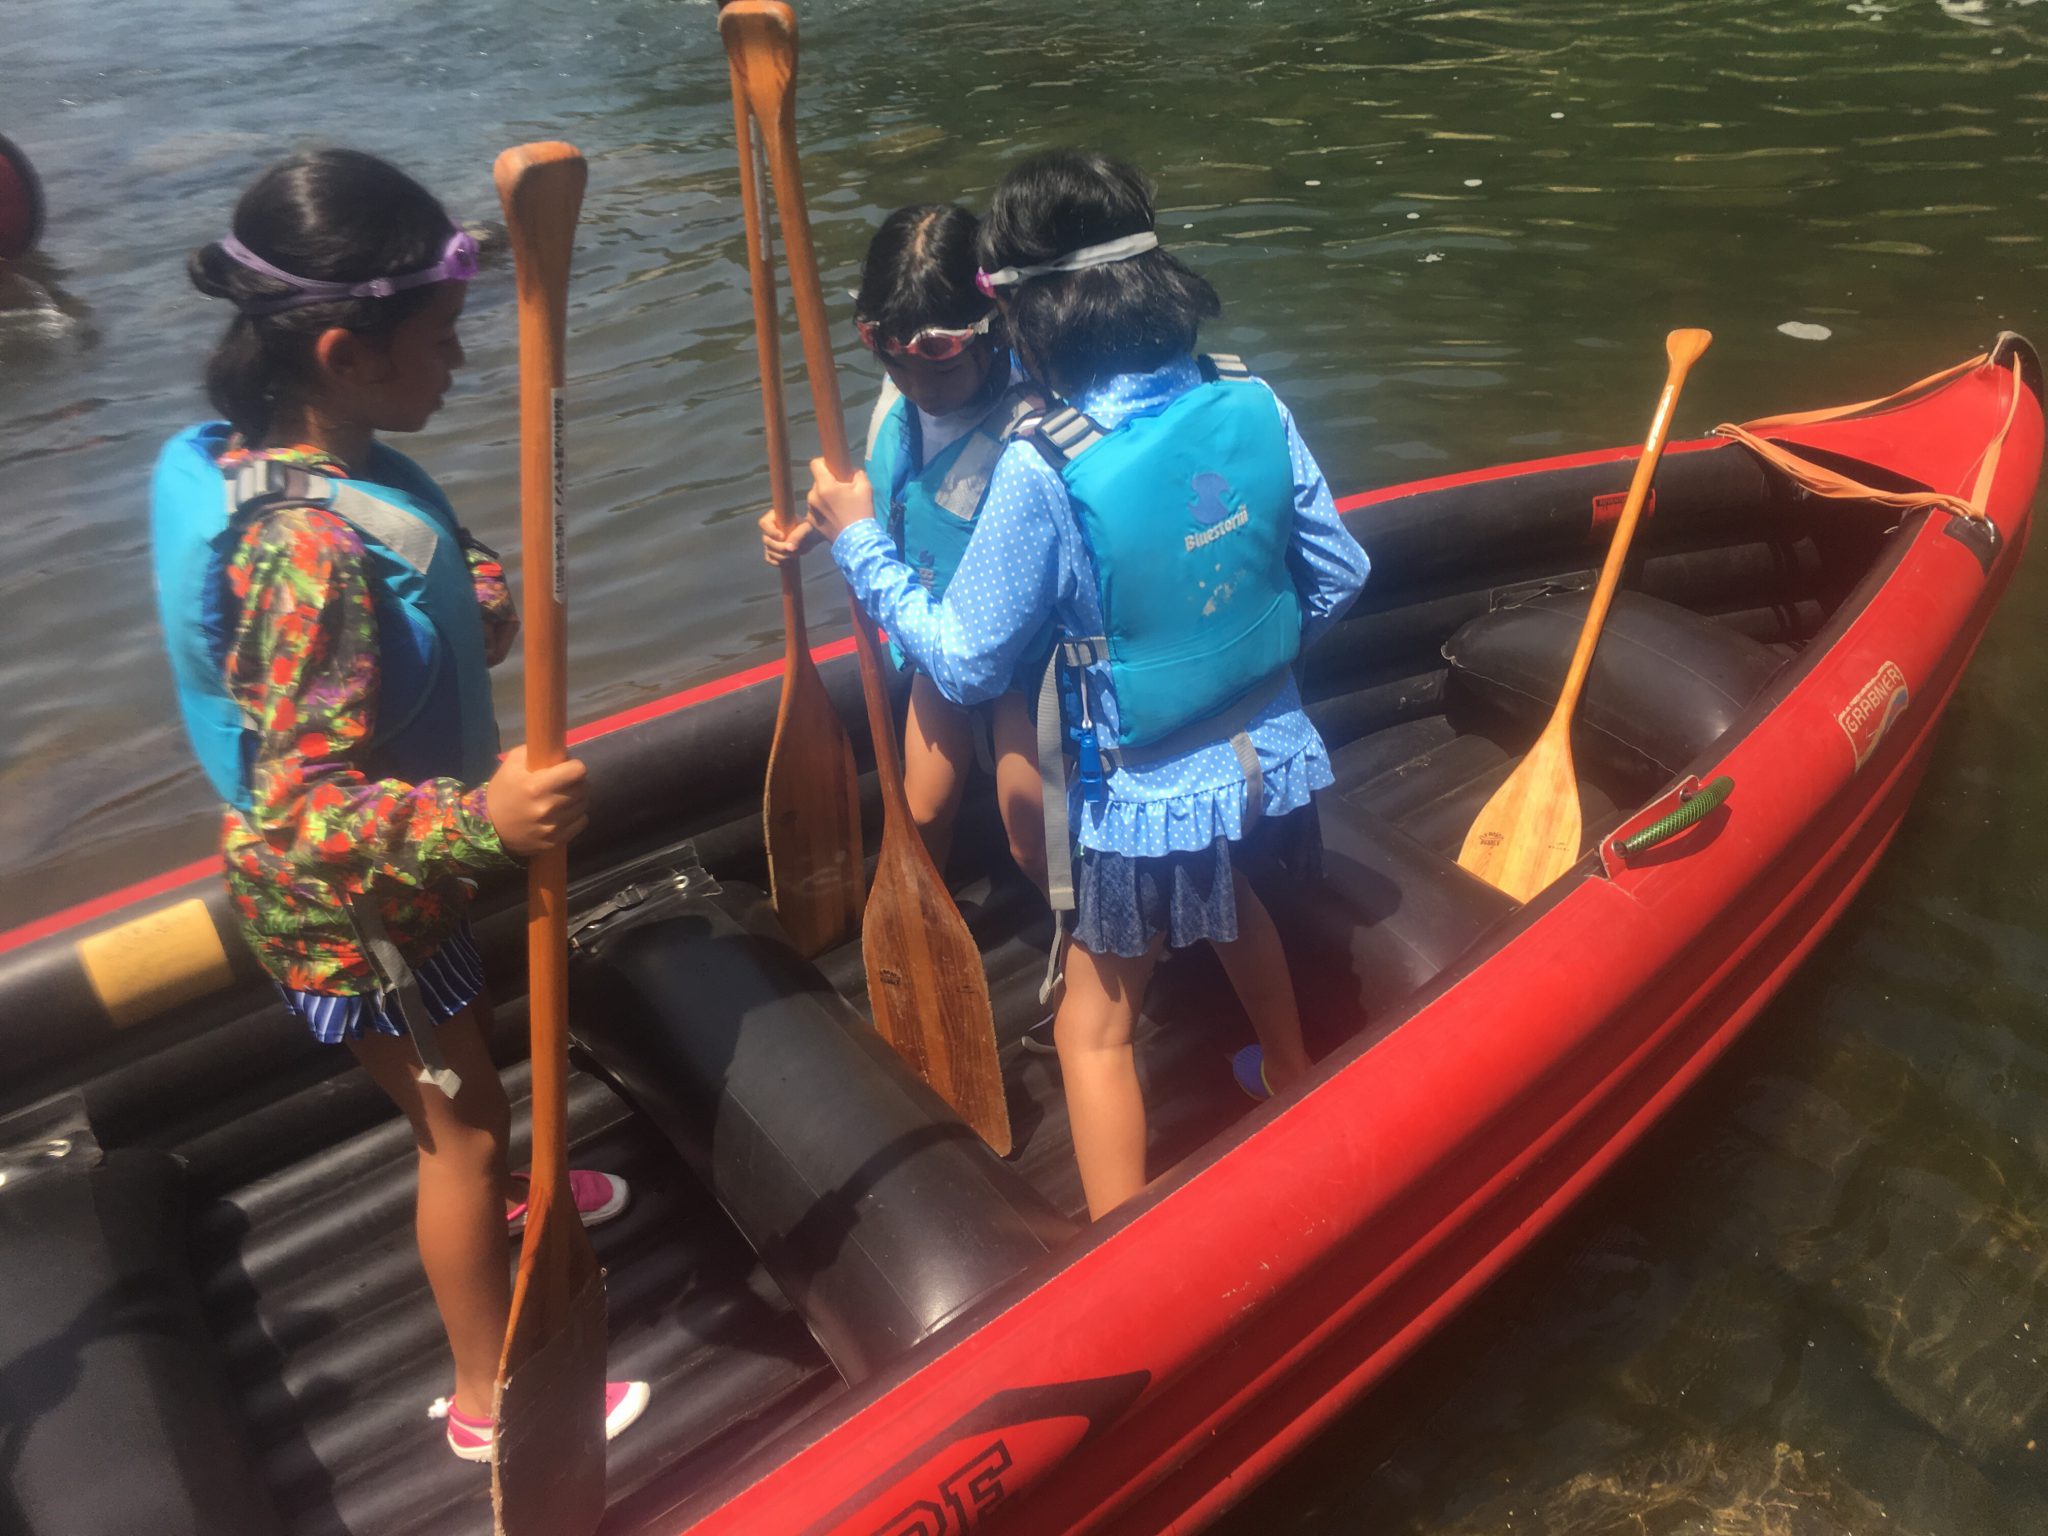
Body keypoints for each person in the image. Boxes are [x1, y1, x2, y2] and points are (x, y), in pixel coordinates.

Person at [151, 148, 647, 1460]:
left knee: (468, 1081)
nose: (462, 363)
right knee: (463, 1131)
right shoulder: (300, 559)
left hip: (401, 885)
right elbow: (303, 811)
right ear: (343, 352)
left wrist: (473, 597)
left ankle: (508, 1207)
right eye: (440, 340)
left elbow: (416, 548)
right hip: (352, 905)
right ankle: (491, 1400)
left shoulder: (314, 456)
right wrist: (486, 825)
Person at [805, 150, 1371, 1219]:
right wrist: (1232, 666)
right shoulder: (1244, 391)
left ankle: (1124, 1246)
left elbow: (965, 657)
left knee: (1093, 1029)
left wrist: (858, 546)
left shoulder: (1047, 462)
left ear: (1026, 311)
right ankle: (1292, 1069)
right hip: (1265, 754)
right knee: (1227, 894)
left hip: (1138, 793)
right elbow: (1338, 572)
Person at [761, 203, 1051, 893]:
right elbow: (888, 500)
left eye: (940, 373)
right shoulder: (900, 398)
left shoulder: (1035, 420)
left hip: (1029, 651)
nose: (920, 390)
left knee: (1032, 835)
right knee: (922, 809)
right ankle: (926, 922)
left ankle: (1094, 937)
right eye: (898, 367)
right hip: (933, 629)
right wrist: (820, 526)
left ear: (993, 330)